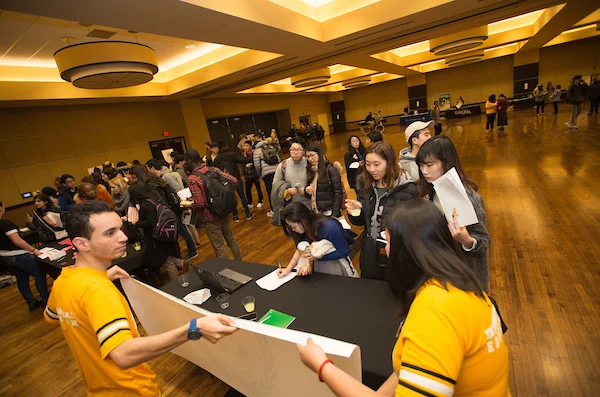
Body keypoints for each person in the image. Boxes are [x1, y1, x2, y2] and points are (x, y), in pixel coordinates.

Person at [296, 200, 509, 397]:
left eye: (388, 241)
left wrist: (321, 365)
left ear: (407, 250)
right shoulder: (458, 282)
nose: (385, 249)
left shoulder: (436, 310)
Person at [43, 200, 236, 396]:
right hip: (131, 390)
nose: (123, 237)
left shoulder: (65, 280)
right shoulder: (98, 290)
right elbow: (123, 354)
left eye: (120, 228)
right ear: (82, 244)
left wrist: (103, 277)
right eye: (110, 233)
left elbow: (52, 316)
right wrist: (194, 328)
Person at [416, 136, 491, 291]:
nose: (424, 171)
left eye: (430, 165)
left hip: (465, 279)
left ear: (447, 163)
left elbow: (483, 240)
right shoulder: (428, 192)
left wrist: (468, 241)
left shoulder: (470, 199)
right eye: (421, 165)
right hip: (437, 274)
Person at [345, 142, 417, 280]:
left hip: (395, 252)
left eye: (377, 164)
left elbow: (412, 228)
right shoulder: (365, 185)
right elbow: (361, 222)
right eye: (367, 164)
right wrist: (355, 211)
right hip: (369, 251)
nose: (372, 169)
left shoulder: (408, 189)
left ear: (389, 162)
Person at [185, 149, 243, 260]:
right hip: (223, 211)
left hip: (209, 216)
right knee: (231, 240)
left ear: (188, 160)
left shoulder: (192, 179)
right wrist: (226, 194)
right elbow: (234, 180)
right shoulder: (213, 169)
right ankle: (241, 264)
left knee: (219, 247)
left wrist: (189, 205)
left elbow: (200, 203)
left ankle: (228, 273)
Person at [278, 203, 356, 278]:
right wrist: (288, 269)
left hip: (338, 264)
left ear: (303, 221)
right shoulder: (306, 229)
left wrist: (318, 257)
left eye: (294, 227)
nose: (293, 230)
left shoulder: (329, 228)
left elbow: (344, 251)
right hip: (320, 265)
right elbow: (301, 249)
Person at [143, 161, 199, 260]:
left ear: (152, 168)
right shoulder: (162, 178)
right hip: (174, 207)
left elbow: (177, 189)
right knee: (183, 229)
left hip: (173, 208)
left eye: (148, 168)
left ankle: (192, 250)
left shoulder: (164, 177)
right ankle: (192, 249)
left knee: (183, 230)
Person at [0, 200, 50, 311]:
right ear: (1, 208)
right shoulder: (5, 224)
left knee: (21, 278)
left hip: (5, 256)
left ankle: (31, 302)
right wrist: (34, 250)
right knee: (39, 273)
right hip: (18, 254)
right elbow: (17, 241)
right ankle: (45, 299)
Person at [129, 184, 185, 280]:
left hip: (157, 236)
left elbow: (151, 222)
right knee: (168, 258)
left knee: (167, 262)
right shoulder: (153, 199)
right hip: (164, 232)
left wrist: (136, 223)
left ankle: (177, 283)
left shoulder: (146, 204)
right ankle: (182, 263)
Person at [212, 143, 254, 222]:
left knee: (231, 197)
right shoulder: (231, 155)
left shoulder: (217, 159)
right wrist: (254, 158)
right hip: (236, 177)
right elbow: (243, 160)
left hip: (225, 180)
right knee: (242, 196)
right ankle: (248, 213)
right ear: (226, 147)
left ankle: (235, 216)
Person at [305, 143, 343, 218]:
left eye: (312, 155)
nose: (310, 159)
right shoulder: (311, 171)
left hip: (329, 211)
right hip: (317, 211)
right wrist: (306, 190)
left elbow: (338, 192)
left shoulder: (330, 169)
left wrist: (334, 214)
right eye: (308, 156)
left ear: (319, 154)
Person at [273, 137, 310, 209]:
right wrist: (287, 191)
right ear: (289, 150)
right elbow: (275, 186)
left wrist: (308, 189)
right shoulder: (283, 166)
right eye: (293, 149)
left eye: (299, 149)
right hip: (290, 207)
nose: (296, 152)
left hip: (309, 205)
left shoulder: (309, 164)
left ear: (303, 151)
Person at [253, 133, 280, 217]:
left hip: (266, 173)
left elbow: (257, 164)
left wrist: (259, 174)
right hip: (277, 171)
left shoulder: (257, 151)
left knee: (270, 192)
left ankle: (273, 210)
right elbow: (278, 158)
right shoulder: (272, 147)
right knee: (279, 190)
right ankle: (282, 207)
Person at [240, 140, 264, 209]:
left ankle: (260, 200)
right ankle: (249, 202)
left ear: (250, 146)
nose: (245, 147)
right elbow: (242, 165)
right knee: (247, 190)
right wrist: (243, 174)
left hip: (255, 173)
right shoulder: (243, 154)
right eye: (244, 146)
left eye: (247, 146)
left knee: (258, 188)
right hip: (247, 175)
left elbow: (258, 162)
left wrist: (252, 165)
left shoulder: (255, 153)